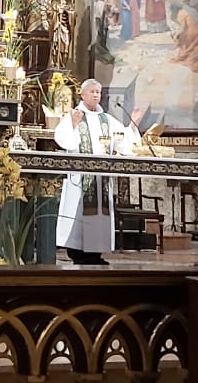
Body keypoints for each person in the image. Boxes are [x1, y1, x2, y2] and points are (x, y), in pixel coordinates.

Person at [55, 79, 141, 264]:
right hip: (81, 178)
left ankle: (96, 254)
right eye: (92, 91)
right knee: (79, 213)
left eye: (98, 92)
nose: (96, 95)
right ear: (82, 94)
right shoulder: (74, 115)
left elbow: (122, 141)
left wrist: (132, 127)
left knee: (99, 215)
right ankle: (77, 253)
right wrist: (73, 125)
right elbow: (62, 139)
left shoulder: (107, 119)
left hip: (101, 178)